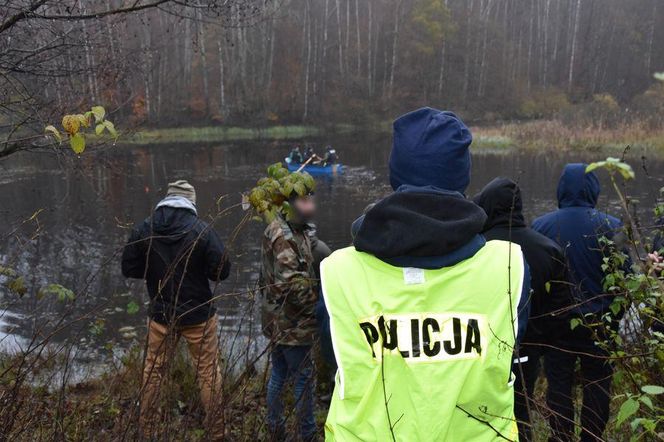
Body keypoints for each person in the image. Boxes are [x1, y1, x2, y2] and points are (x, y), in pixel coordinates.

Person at [319, 107, 530, 441]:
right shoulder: (508, 267)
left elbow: (337, 360)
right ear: (462, 177)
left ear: (395, 174)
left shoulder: (338, 272)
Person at [121, 180, 231, 440]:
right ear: (191, 203)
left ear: (166, 200)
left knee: (153, 372)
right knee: (208, 371)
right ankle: (216, 432)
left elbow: (129, 267)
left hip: (161, 315)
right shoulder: (201, 230)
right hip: (199, 315)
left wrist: (154, 272)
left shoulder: (145, 228)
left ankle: (147, 430)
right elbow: (222, 270)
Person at [473, 177, 573, 441]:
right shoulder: (548, 249)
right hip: (529, 350)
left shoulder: (476, 248)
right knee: (521, 414)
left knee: (485, 415)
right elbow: (562, 307)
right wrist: (539, 341)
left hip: (481, 351)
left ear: (488, 206)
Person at [532, 164, 623, 442]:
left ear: (561, 189)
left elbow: (534, 276)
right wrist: (614, 318)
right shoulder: (611, 225)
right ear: (593, 189)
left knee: (559, 383)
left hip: (557, 325)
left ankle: (560, 436)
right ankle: (591, 437)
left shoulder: (541, 226)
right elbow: (624, 279)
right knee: (597, 384)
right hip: (600, 324)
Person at [260, 190, 318, 441]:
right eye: (306, 200)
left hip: (278, 320)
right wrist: (316, 310)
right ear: (291, 205)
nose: (312, 205)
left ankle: (275, 428)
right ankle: (307, 434)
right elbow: (292, 284)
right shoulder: (283, 234)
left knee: (280, 372)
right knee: (303, 378)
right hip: (291, 323)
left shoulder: (296, 229)